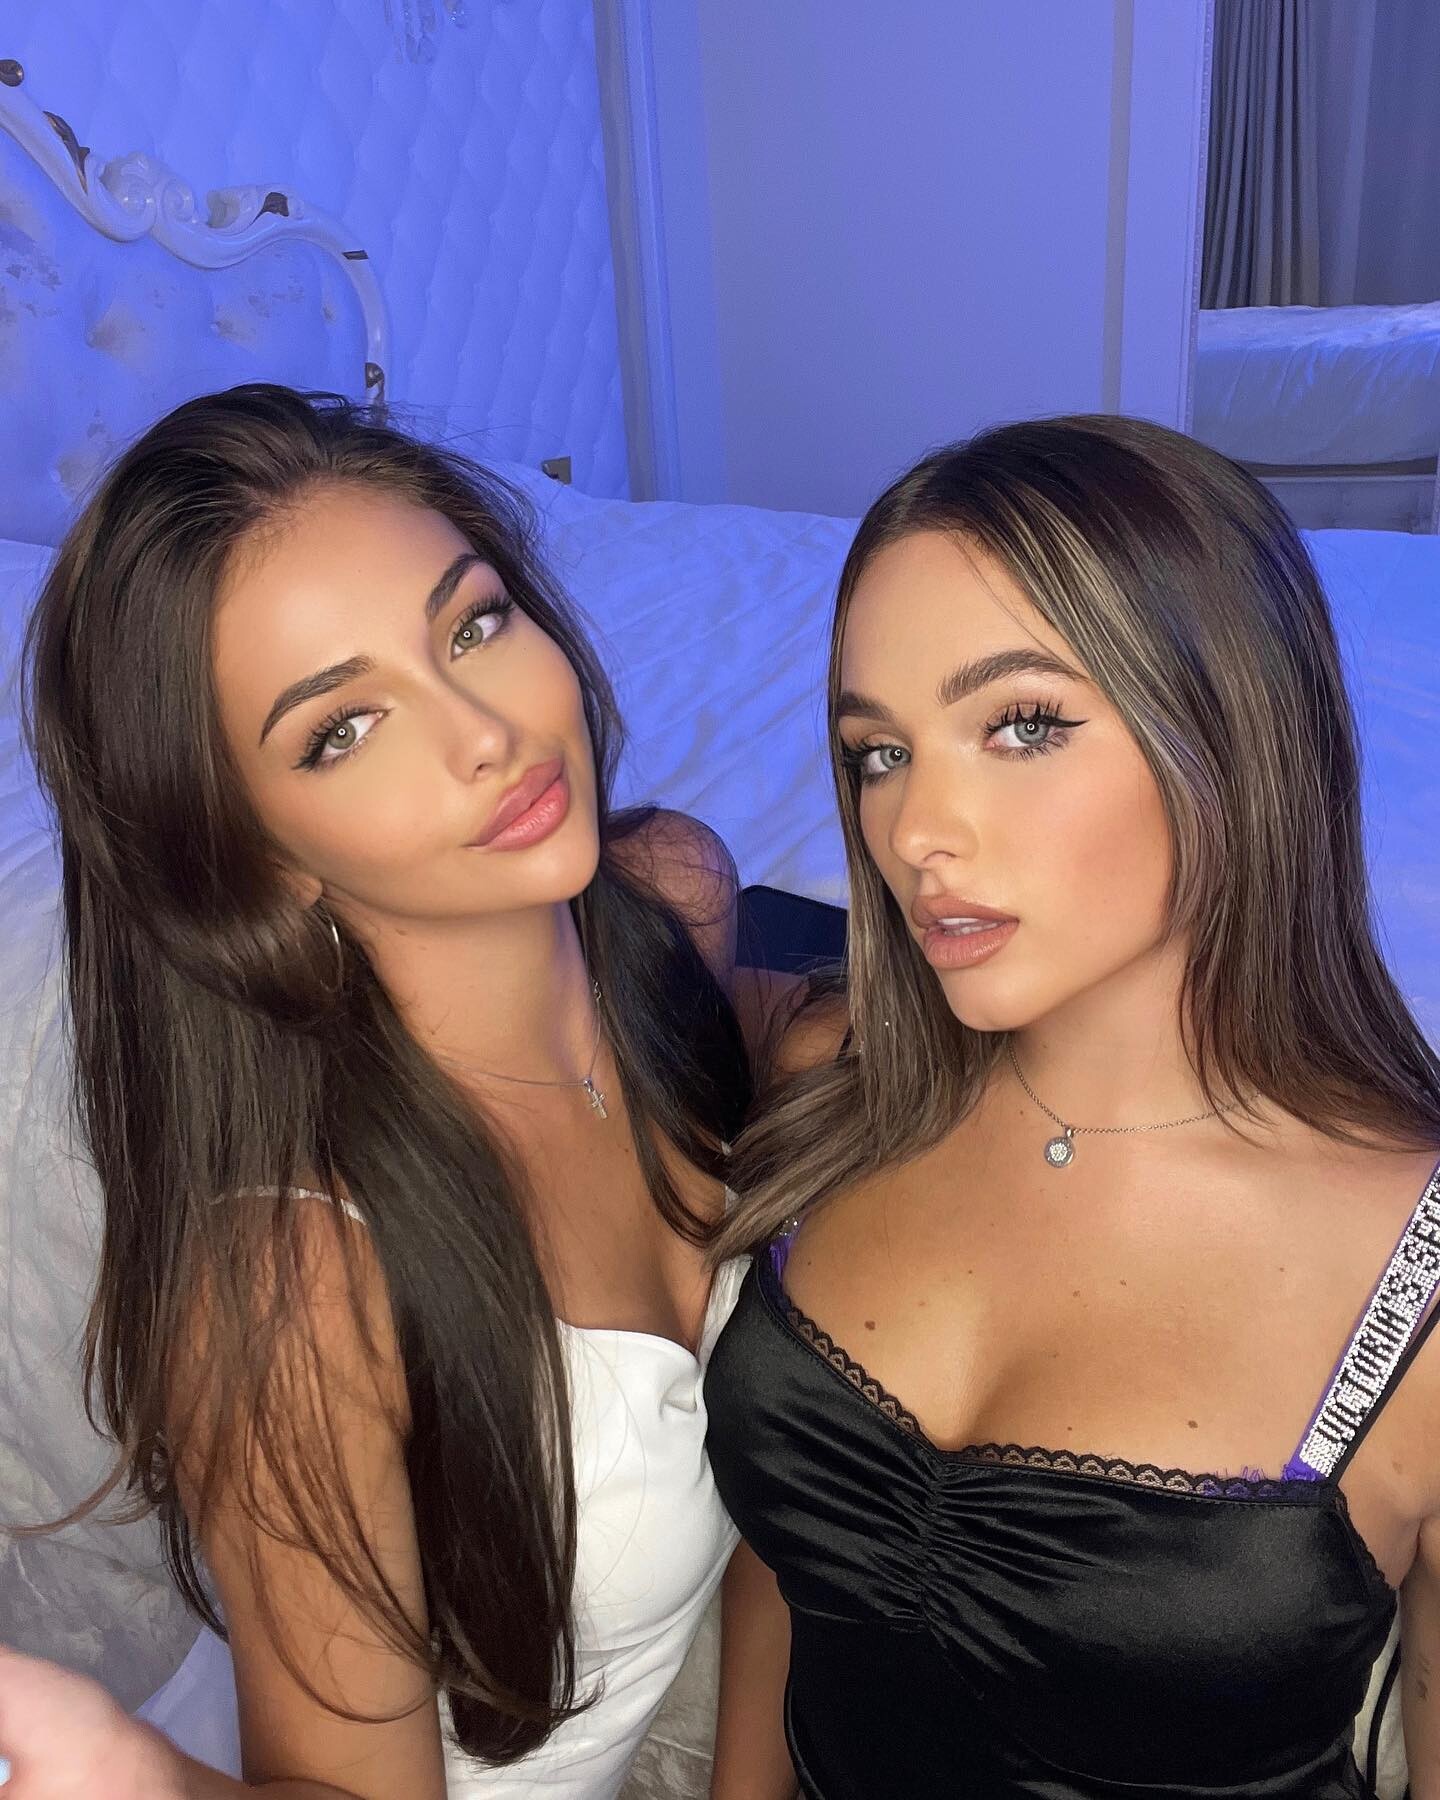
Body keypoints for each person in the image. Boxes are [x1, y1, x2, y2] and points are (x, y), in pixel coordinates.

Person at [3, 384, 762, 1799]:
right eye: (342, 729)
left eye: (472, 624)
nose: (485, 733)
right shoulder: (297, 1287)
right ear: (253, 860)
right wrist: (142, 1780)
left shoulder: (677, 904)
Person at [706, 416, 1440, 1798]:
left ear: (1232, 726)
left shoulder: (1422, 1276)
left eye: (1021, 725)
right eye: (878, 752)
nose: (915, 831)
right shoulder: (841, 1085)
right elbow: (787, 1569)